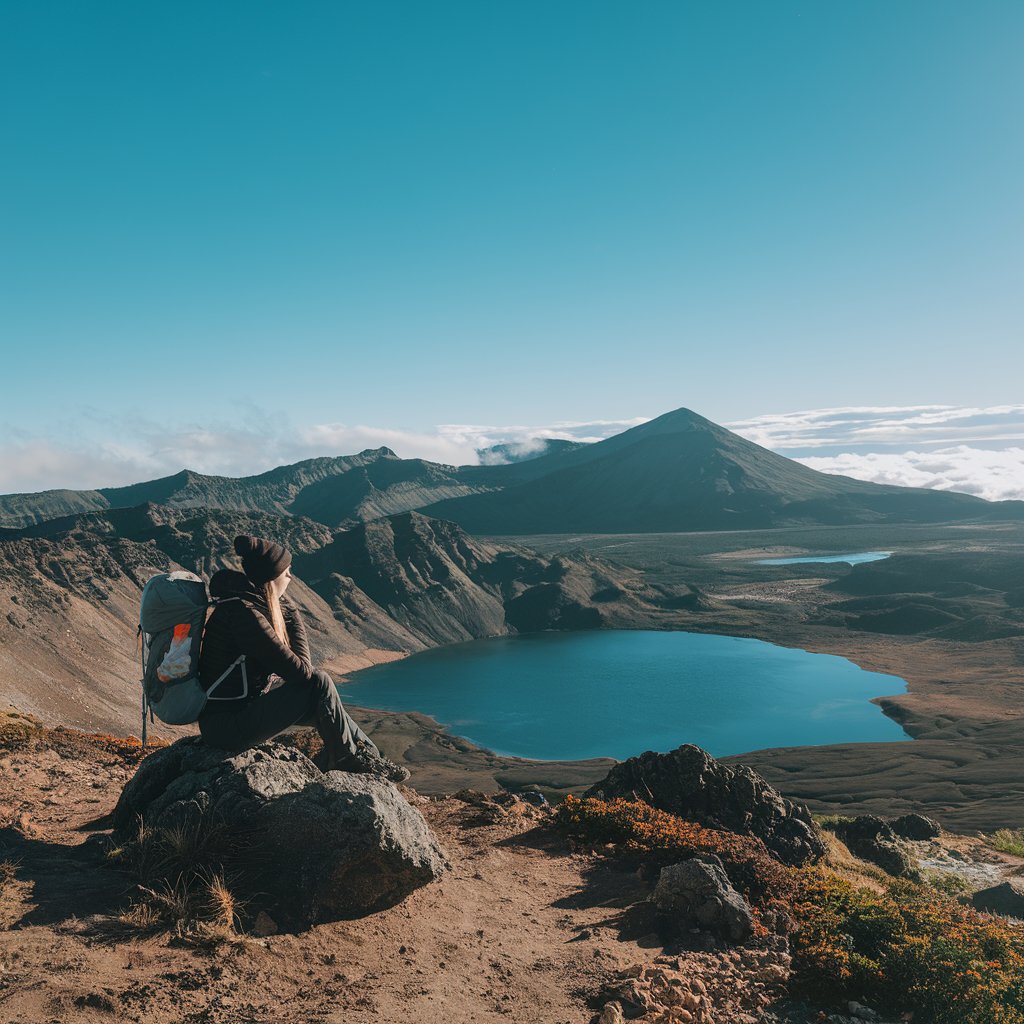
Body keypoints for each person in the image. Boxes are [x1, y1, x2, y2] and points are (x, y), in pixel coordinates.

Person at [198, 534, 409, 782]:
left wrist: (283, 608)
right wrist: (293, 613)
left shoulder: (244, 606)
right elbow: (302, 673)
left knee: (322, 700)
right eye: (287, 571)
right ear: (273, 576)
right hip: (227, 728)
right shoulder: (244, 615)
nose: (289, 577)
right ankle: (347, 759)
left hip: (237, 715)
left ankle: (365, 756)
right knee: (319, 682)